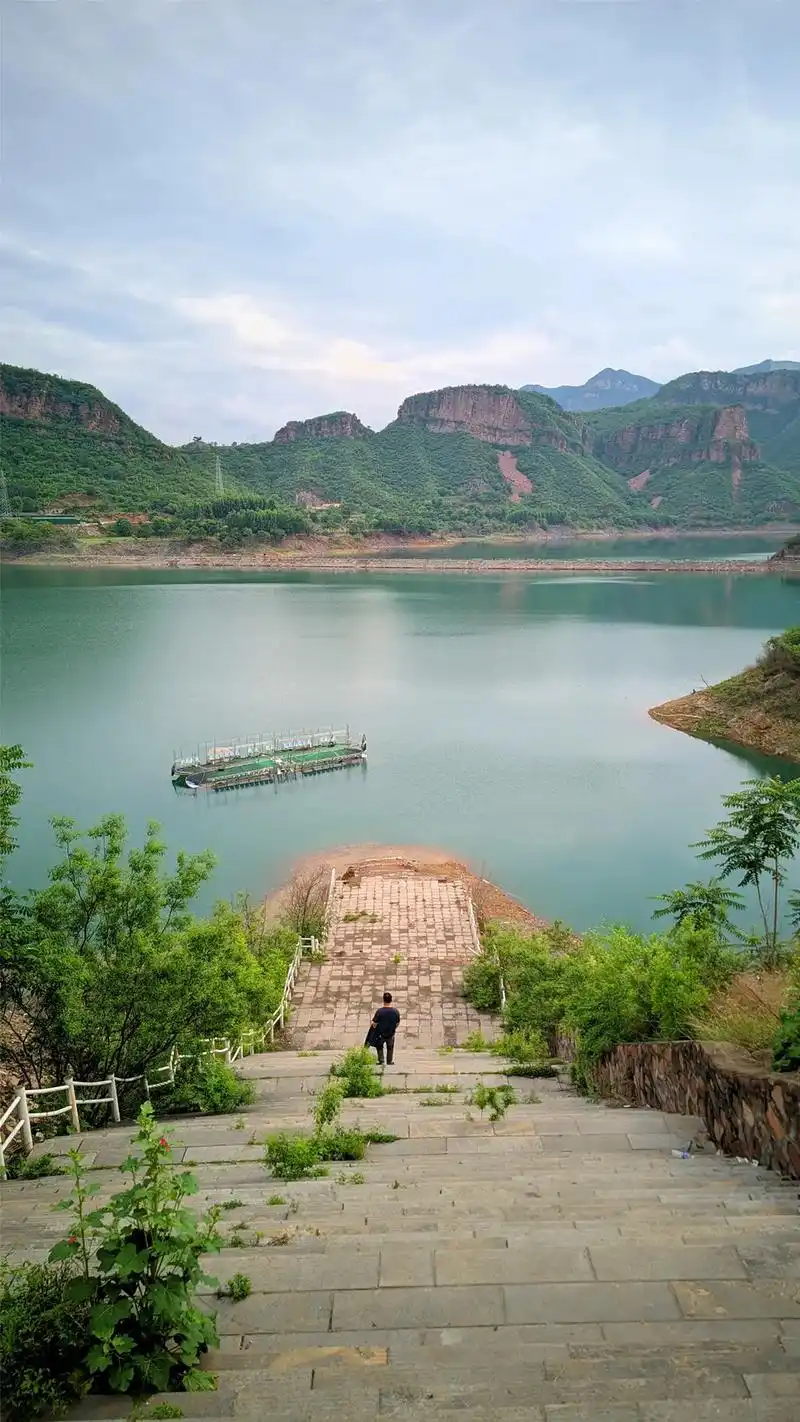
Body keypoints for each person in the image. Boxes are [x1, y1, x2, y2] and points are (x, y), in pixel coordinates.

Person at [370, 991, 400, 1067]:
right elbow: (397, 1023)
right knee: (390, 1047)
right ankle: (389, 1061)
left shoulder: (379, 1011)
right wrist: (393, 1028)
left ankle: (381, 1061)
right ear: (391, 1000)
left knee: (379, 1047)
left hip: (380, 1034)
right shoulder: (395, 1011)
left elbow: (374, 1024)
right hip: (391, 1033)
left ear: (383, 1000)